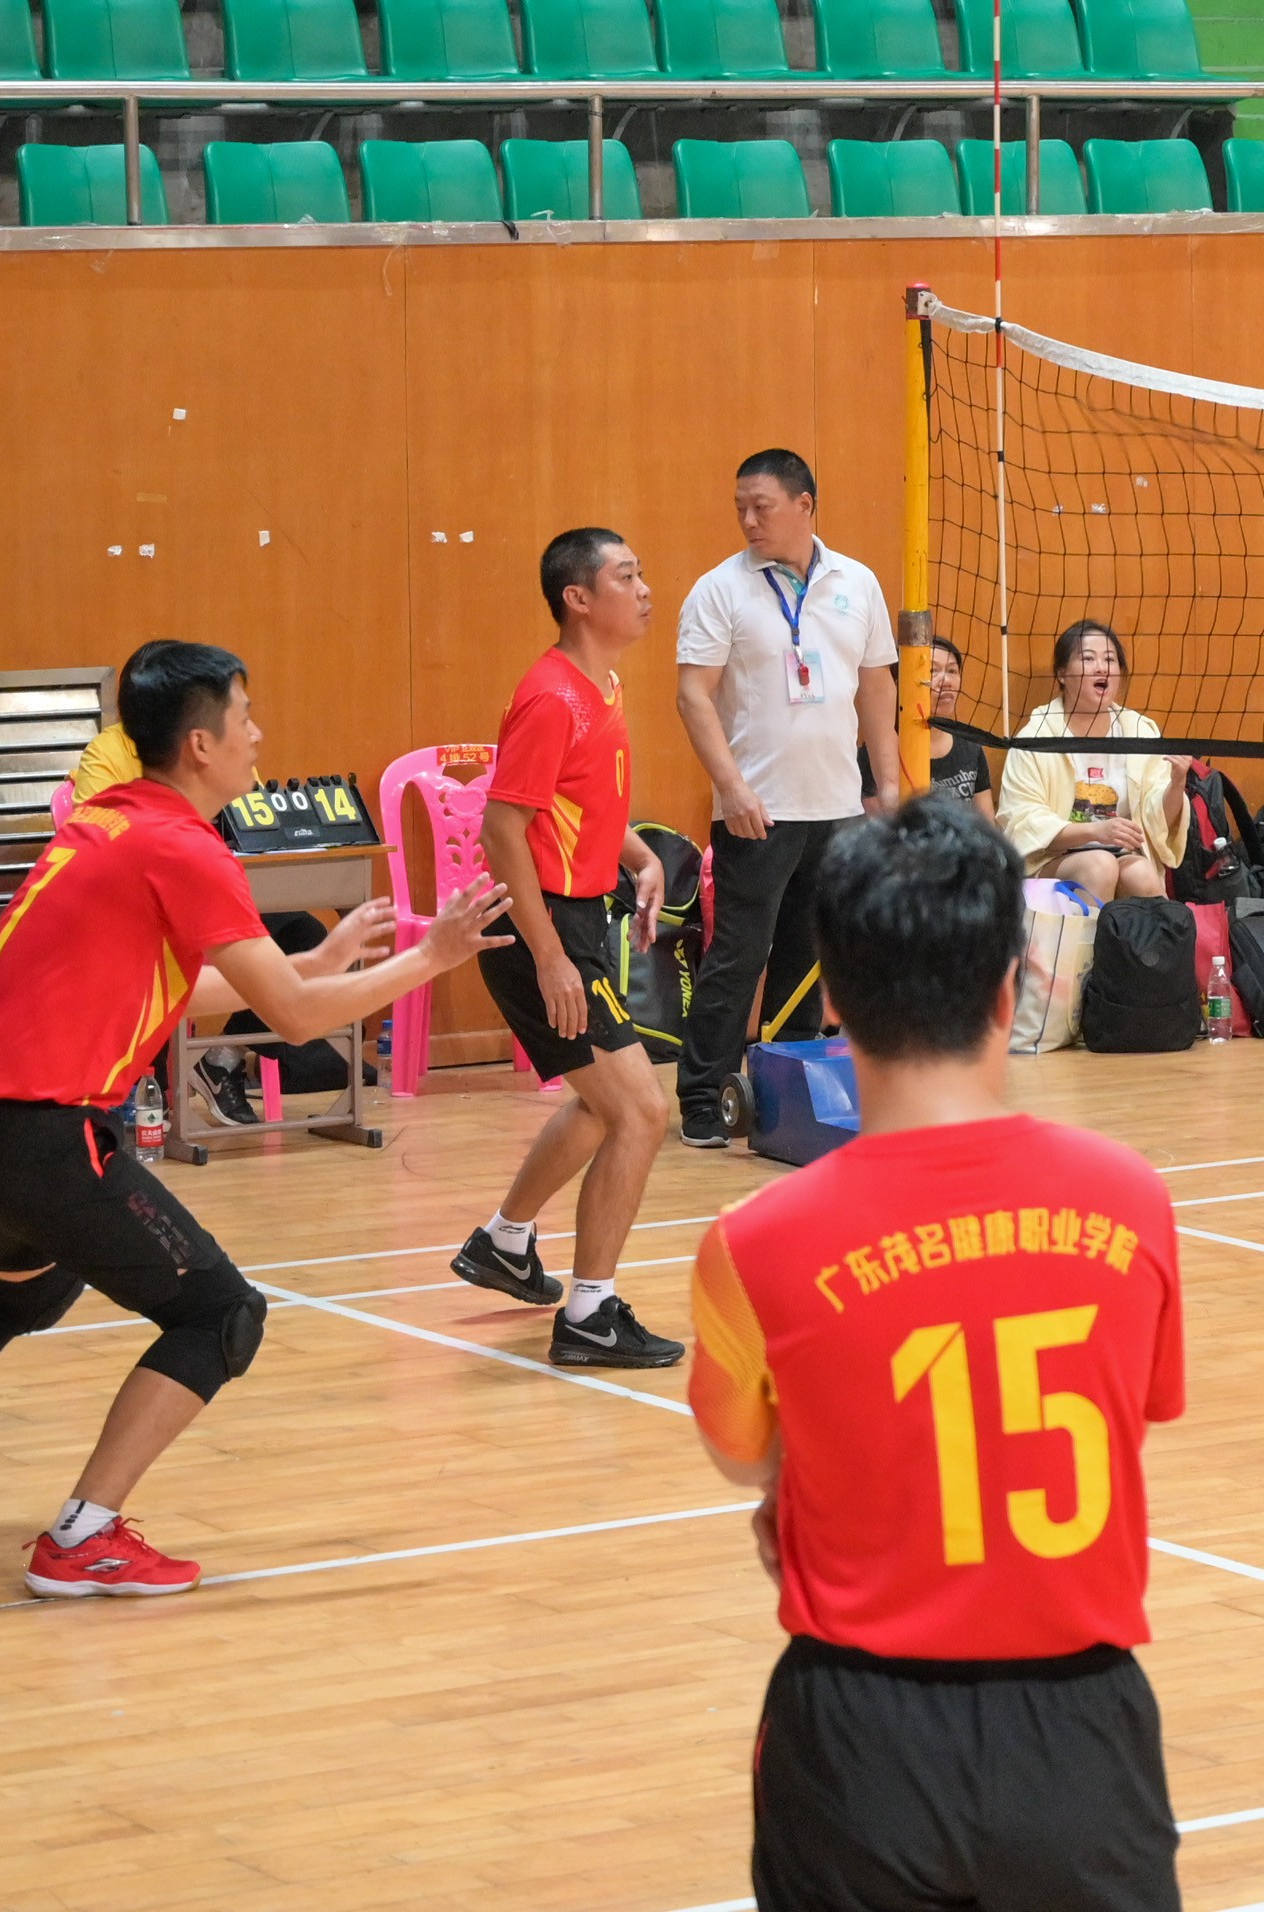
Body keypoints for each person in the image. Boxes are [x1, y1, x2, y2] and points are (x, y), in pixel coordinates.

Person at [0, 641, 508, 1593]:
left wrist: (317, 963)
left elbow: (167, 992)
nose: (259, 734)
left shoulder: (113, 822)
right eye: (245, 715)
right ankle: (83, 1537)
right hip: (40, 1138)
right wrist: (433, 956)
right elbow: (298, 1024)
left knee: (27, 1288)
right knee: (220, 1313)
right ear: (200, 743)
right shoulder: (183, 845)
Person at [686, 794, 1185, 1912]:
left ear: (840, 1003)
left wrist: (799, 1483)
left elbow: (738, 1453)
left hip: (860, 1734)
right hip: (1080, 1729)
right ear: (1010, 991)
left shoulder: (752, 1241)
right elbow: (1131, 1409)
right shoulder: (1131, 1201)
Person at [447, 528, 686, 1370]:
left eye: (641, 569)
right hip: (537, 926)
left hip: (572, 919)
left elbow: (581, 802)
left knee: (601, 1107)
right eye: (627, 575)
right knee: (642, 1111)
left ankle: (505, 1243)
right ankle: (589, 1314)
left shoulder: (603, 684)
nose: (645, 587)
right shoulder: (554, 697)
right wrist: (551, 959)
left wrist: (642, 856)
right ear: (579, 599)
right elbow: (502, 825)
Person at [675, 451, 903, 1153]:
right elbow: (692, 694)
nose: (748, 520)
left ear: (806, 504)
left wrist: (887, 783)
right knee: (740, 954)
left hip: (834, 806)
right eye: (740, 507)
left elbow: (876, 690)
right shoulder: (720, 590)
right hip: (758, 809)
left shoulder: (856, 582)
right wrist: (733, 790)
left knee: (808, 956)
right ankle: (702, 1097)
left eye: (762, 507)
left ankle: (783, 1092)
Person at [995, 621, 1190, 904]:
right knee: (1099, 866)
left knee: (1143, 875)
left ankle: (1151, 947)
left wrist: (1177, 783)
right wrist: (1095, 831)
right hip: (1051, 860)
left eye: (1109, 659)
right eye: (1088, 659)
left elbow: (1157, 821)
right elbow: (1022, 822)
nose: (1102, 668)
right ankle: (1084, 950)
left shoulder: (1139, 730)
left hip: (1120, 855)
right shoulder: (1035, 738)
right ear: (1062, 674)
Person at [906, 627, 994, 804]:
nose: (945, 681)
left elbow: (986, 824)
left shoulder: (971, 747)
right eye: (932, 671)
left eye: (952, 671)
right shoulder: (884, 752)